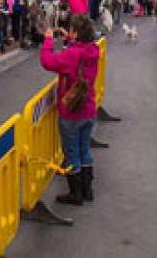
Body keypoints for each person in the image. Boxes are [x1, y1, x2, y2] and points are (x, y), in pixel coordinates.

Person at [40, 15, 101, 205]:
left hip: (71, 112)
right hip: (88, 108)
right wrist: (70, 39)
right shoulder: (93, 50)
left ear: (76, 33)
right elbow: (78, 55)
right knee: (85, 150)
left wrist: (48, 39)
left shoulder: (72, 55)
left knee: (72, 152)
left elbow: (48, 61)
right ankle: (87, 190)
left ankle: (76, 194)